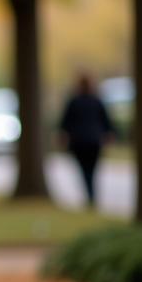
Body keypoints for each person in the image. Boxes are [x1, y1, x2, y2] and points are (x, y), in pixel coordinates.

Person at [57, 70, 117, 208]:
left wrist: (63, 137)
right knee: (92, 170)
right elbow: (106, 121)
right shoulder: (97, 101)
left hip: (79, 142)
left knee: (84, 170)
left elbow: (65, 123)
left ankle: (90, 197)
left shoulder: (74, 102)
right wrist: (109, 134)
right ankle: (92, 196)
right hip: (94, 141)